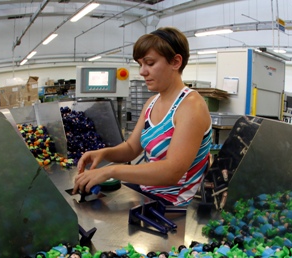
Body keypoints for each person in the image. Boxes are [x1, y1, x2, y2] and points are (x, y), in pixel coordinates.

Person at [72, 27, 212, 207]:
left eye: (150, 63)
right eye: (140, 64)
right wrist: (104, 153)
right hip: (148, 193)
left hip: (173, 206)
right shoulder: (152, 102)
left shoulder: (191, 106)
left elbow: (172, 171)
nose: (142, 72)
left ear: (176, 62)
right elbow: (131, 148)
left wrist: (110, 171)